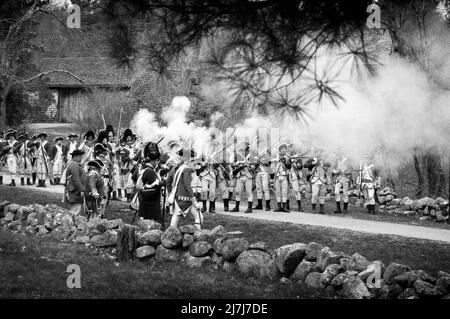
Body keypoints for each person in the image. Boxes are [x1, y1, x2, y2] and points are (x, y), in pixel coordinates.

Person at [166, 149, 203, 229]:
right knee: (199, 216)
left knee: (175, 218)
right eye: (191, 159)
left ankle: (170, 235)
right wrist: (194, 201)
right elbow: (188, 186)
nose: (193, 161)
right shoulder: (186, 169)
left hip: (178, 197)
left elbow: (168, 181)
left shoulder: (179, 168)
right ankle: (198, 234)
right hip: (185, 199)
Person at [133, 142, 163, 222]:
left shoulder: (144, 168)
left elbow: (134, 177)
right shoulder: (150, 171)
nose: (157, 163)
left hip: (145, 198)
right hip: (150, 201)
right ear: (154, 161)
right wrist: (163, 182)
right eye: (157, 161)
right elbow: (156, 185)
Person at [304, 148, 332, 214]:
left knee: (322, 195)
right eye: (318, 152)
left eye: (320, 152)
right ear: (315, 153)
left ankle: (321, 209)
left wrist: (324, 163)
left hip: (322, 180)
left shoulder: (324, 160)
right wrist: (313, 163)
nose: (319, 154)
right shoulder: (312, 159)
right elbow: (305, 165)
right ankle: (313, 209)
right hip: (315, 180)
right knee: (315, 195)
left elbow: (329, 165)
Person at [230, 143, 255, 214]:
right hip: (239, 175)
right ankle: (236, 207)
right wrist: (237, 164)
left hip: (248, 175)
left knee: (249, 192)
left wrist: (250, 165)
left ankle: (250, 208)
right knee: (237, 192)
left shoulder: (250, 154)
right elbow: (233, 164)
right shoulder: (237, 154)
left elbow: (254, 165)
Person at [63, 149, 86, 216]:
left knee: (76, 211)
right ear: (76, 156)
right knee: (75, 212)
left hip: (75, 191)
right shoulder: (74, 165)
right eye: (80, 156)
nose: (81, 157)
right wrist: (81, 190)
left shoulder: (75, 165)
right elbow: (76, 180)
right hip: (74, 191)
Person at [273, 143, 291, 213]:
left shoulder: (287, 157)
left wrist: (286, 161)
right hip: (277, 176)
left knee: (284, 192)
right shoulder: (276, 156)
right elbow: (272, 163)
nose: (284, 150)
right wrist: (278, 159)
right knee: (278, 192)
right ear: (279, 150)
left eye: (285, 149)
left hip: (284, 176)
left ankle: (284, 207)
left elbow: (289, 166)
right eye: (282, 149)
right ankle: (279, 206)